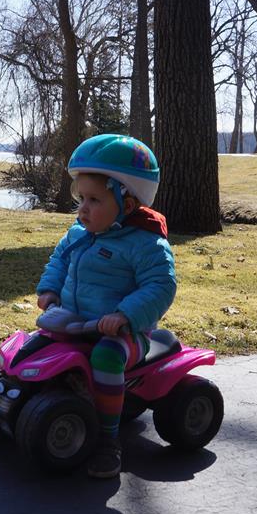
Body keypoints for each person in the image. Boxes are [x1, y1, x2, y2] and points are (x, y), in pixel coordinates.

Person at [35, 134, 176, 478]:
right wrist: (49, 290)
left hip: (125, 333)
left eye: (94, 200)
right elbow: (59, 261)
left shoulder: (146, 243)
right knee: (39, 342)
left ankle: (107, 441)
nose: (82, 208)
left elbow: (160, 285)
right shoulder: (79, 233)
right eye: (81, 198)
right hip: (76, 321)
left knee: (106, 356)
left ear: (126, 204)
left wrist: (124, 315)